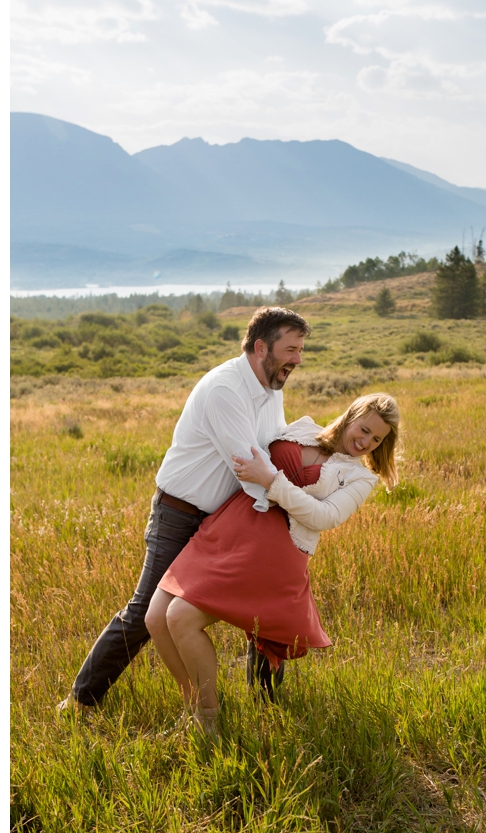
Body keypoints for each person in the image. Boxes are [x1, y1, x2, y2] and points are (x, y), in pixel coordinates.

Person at [60, 306, 308, 713]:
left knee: (262, 607)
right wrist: (293, 506)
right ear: (261, 346)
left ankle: (267, 705)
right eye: (292, 349)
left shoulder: (270, 390)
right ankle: (81, 702)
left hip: (228, 515)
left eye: (301, 351)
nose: (298, 359)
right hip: (180, 514)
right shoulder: (224, 388)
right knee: (145, 613)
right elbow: (249, 468)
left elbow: (275, 447)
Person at [146, 393, 398, 733]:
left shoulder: (359, 478)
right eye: (364, 429)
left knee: (180, 617)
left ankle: (207, 719)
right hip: (229, 528)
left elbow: (323, 516)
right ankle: (192, 704)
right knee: (155, 618)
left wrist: (271, 481)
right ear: (351, 415)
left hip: (272, 551)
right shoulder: (303, 429)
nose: (366, 442)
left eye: (377, 439)